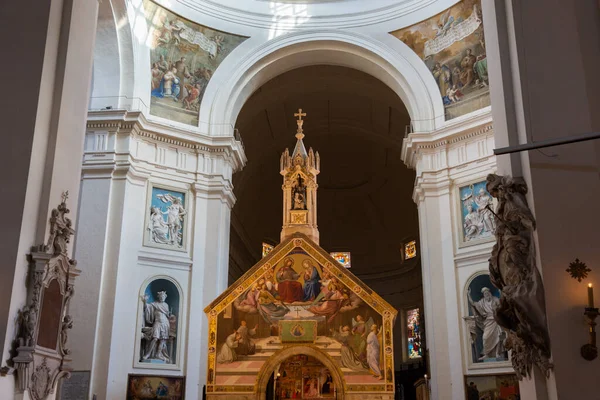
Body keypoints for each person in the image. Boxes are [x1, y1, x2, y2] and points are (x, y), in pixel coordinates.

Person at [468, 287, 505, 360]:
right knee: (485, 337)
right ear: (484, 295)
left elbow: (502, 305)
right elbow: (473, 303)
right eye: (485, 294)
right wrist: (469, 294)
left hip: (496, 320)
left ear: (490, 293)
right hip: (488, 321)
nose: (487, 294)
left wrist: (501, 293)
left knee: (498, 336)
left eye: (487, 293)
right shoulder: (482, 302)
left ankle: (497, 353)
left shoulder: (495, 299)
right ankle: (487, 354)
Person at [141, 291, 171, 362]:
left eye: (163, 297)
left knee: (162, 340)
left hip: (165, 323)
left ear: (165, 297)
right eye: (161, 296)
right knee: (155, 338)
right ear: (159, 297)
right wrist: (145, 301)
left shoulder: (166, 305)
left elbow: (168, 315)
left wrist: (169, 315)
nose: (162, 298)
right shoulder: (155, 304)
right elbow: (147, 307)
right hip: (157, 322)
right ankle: (147, 354)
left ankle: (158, 354)